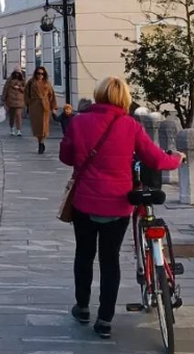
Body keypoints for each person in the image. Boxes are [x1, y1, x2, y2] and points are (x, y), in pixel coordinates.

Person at [60, 76, 184, 340]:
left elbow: (66, 157)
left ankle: (82, 308)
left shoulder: (78, 122)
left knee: (84, 255)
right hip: (118, 206)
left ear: (99, 94)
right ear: (124, 98)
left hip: (84, 204)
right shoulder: (130, 125)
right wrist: (176, 159)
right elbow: (155, 159)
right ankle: (105, 320)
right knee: (110, 260)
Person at [26, 66, 58, 154]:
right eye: (38, 73)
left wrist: (53, 107)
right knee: (36, 127)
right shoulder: (31, 82)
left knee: (44, 127)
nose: (40, 75)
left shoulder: (47, 83)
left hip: (45, 106)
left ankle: (41, 143)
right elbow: (26, 94)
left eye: (42, 74)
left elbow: (52, 95)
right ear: (35, 74)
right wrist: (28, 104)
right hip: (34, 106)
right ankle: (40, 141)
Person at [1, 70, 27, 136]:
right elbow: (5, 89)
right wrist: (3, 99)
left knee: (18, 115)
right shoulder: (9, 80)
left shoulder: (22, 80)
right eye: (16, 73)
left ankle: (19, 130)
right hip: (11, 101)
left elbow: (26, 89)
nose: (17, 74)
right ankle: (12, 129)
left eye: (18, 73)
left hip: (19, 101)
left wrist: (19, 88)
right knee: (11, 116)